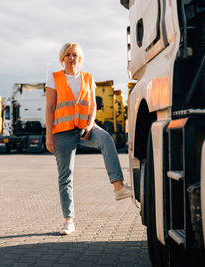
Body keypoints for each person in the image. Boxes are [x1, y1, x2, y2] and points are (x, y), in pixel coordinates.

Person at [45, 42, 132, 235]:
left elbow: (92, 107)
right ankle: (68, 221)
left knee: (106, 139)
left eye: (75, 55)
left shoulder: (88, 78)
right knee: (65, 176)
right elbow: (50, 108)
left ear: (80, 58)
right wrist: (49, 135)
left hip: (85, 128)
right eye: (67, 54)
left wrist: (89, 125)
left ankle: (118, 187)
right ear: (62, 58)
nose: (71, 58)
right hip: (62, 132)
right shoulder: (54, 79)